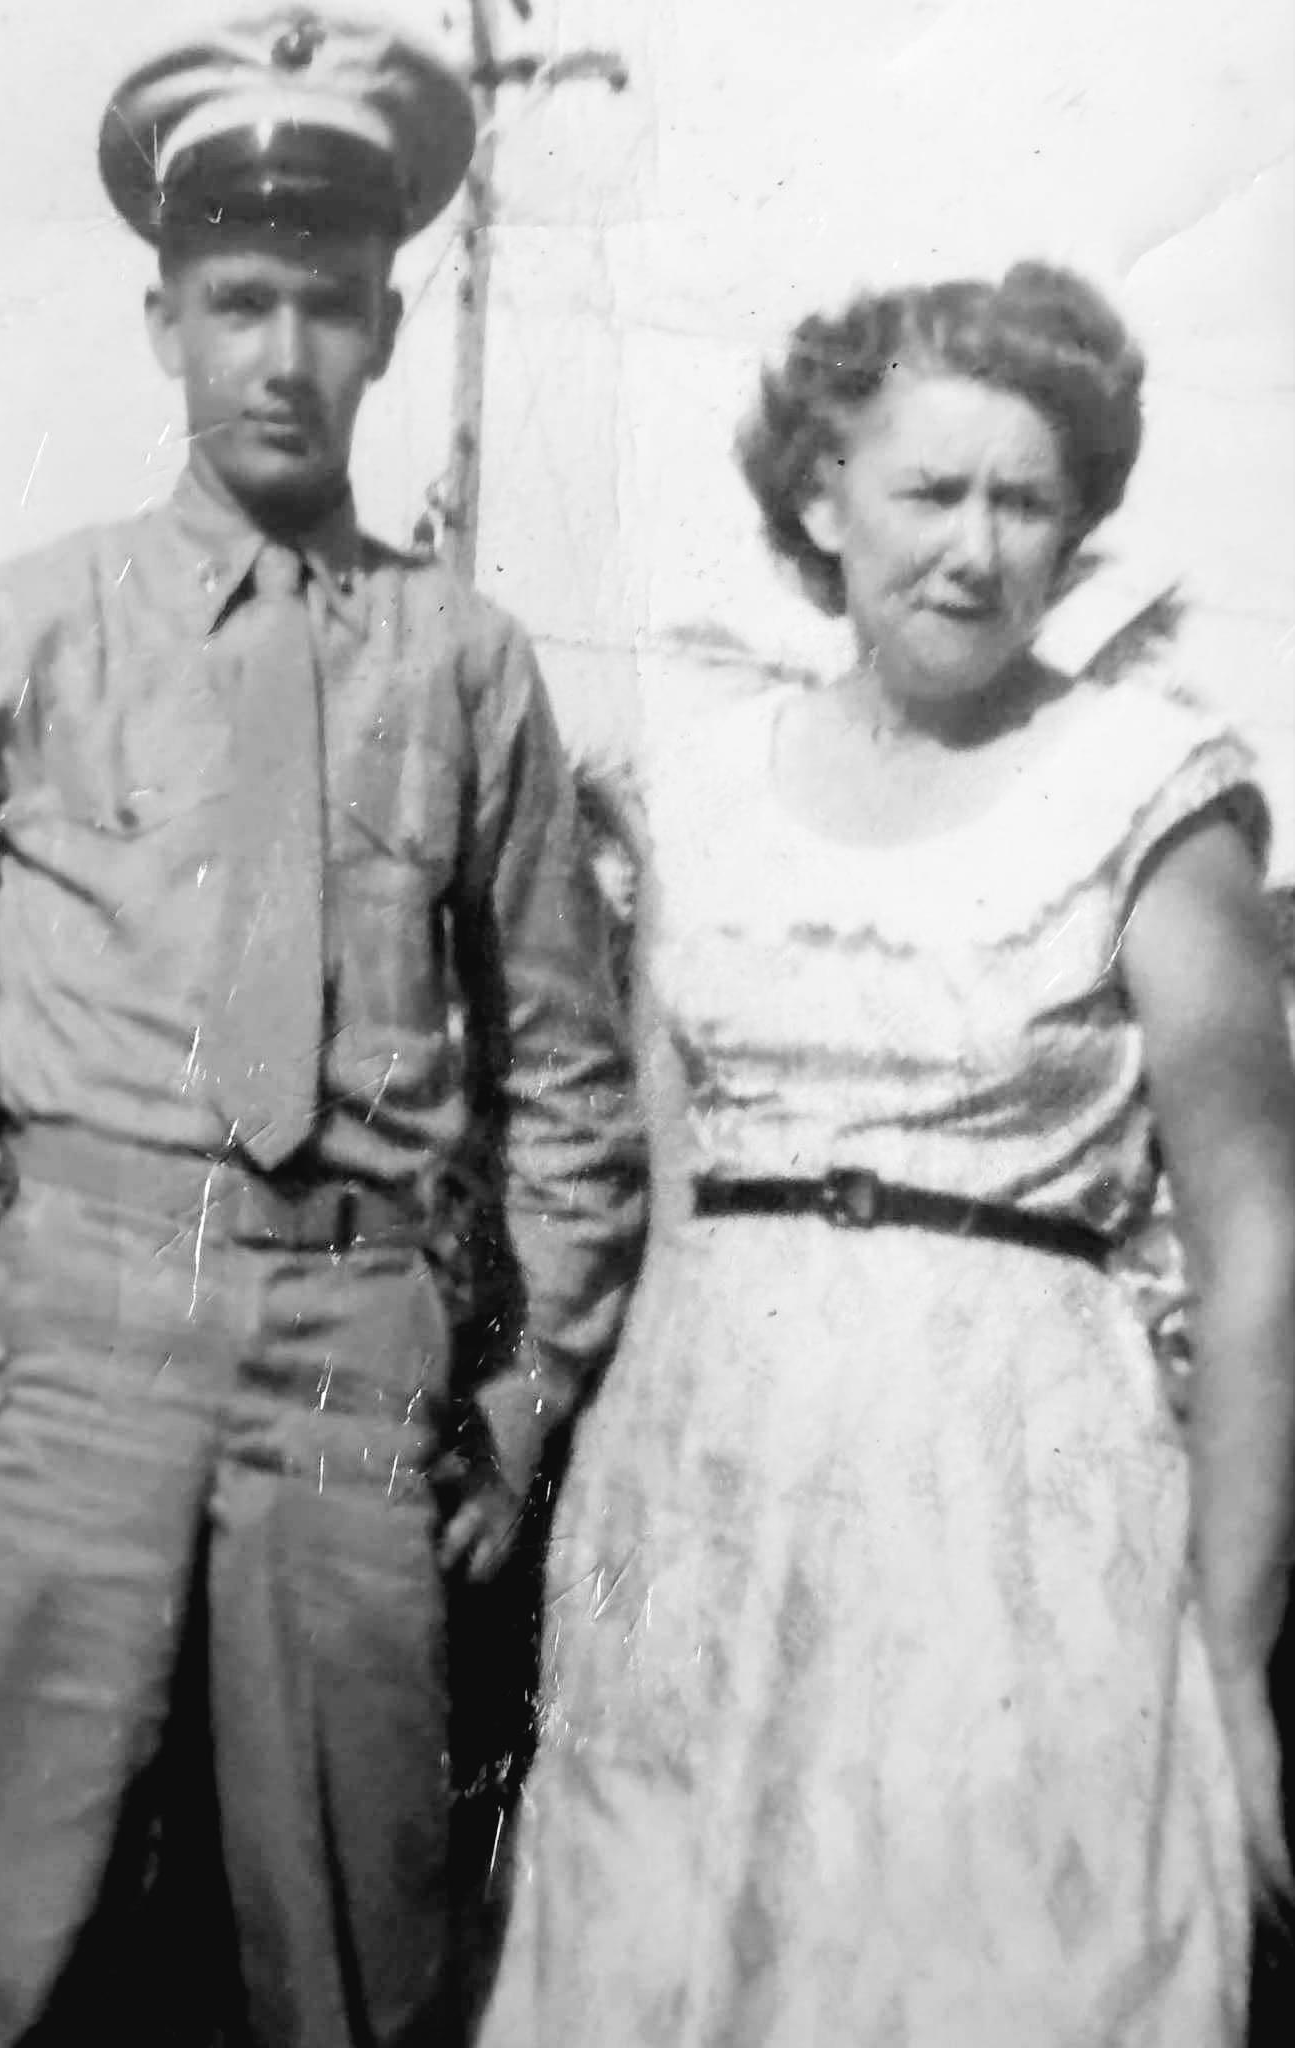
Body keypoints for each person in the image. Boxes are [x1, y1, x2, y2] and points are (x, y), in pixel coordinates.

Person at [477, 263, 1295, 2046]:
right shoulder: (696, 789)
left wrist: (1227, 1647)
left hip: (1022, 1506)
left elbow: (1252, 1248)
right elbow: (660, 1185)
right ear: (819, 498)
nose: (974, 549)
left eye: (1027, 501)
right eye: (931, 491)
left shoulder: (1149, 787)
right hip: (709, 1486)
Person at [0, 11, 646, 2046]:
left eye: (328, 308)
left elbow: (568, 1072)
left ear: (385, 326)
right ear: (162, 317)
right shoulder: (39, 621)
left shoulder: (464, 666)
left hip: (352, 1361)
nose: (282, 354)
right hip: (78, 1338)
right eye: (238, 302)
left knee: (349, 1948)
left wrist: (526, 1400)